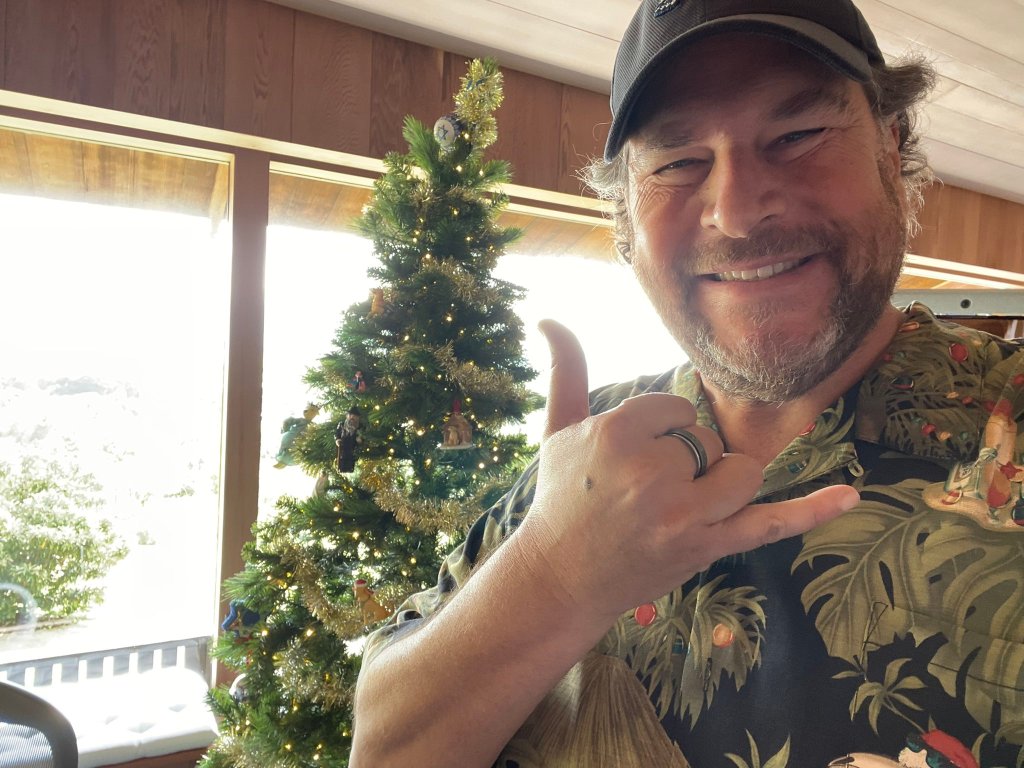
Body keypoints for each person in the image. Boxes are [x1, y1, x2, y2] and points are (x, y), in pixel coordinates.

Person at [350, 1, 1024, 765]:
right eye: (675, 161)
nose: (736, 213)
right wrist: (550, 574)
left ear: (890, 148)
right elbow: (384, 749)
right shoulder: (588, 451)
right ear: (625, 216)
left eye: (799, 135)